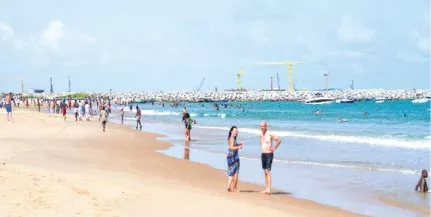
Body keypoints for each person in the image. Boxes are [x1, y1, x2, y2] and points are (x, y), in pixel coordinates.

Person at [259, 121, 281, 195]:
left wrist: (274, 147)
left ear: (266, 126)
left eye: (263, 126)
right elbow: (261, 142)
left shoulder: (270, 133)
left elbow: (279, 140)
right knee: (265, 171)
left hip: (269, 154)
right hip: (263, 154)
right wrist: (262, 147)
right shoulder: (261, 133)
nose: (261, 128)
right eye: (260, 126)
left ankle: (268, 189)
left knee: (268, 171)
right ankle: (266, 188)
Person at [226, 126, 243, 192]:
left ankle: (230, 187)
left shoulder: (231, 138)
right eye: (235, 131)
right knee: (235, 173)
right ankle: (234, 188)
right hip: (234, 157)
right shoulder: (232, 138)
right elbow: (232, 147)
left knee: (231, 173)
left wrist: (238, 144)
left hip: (230, 157)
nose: (236, 132)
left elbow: (232, 146)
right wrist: (239, 146)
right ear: (231, 131)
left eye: (236, 131)